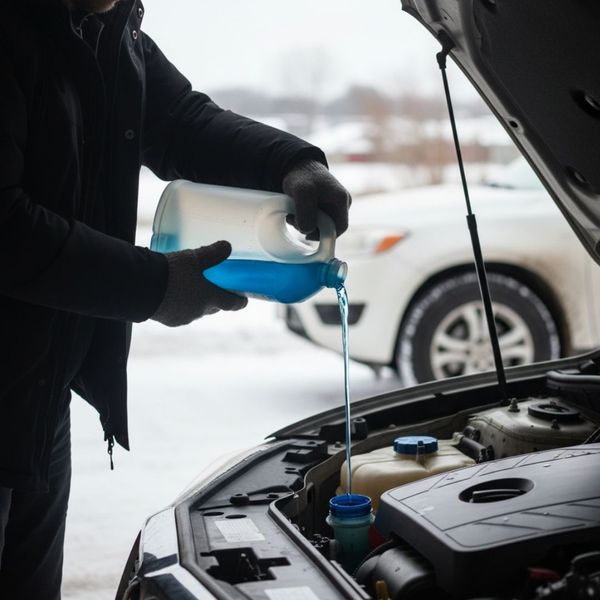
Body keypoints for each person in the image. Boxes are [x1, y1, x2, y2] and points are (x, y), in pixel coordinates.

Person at [0, 0, 351, 597]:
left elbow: (182, 123)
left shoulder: (110, 31)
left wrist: (291, 162)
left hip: (33, 397)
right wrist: (155, 285)